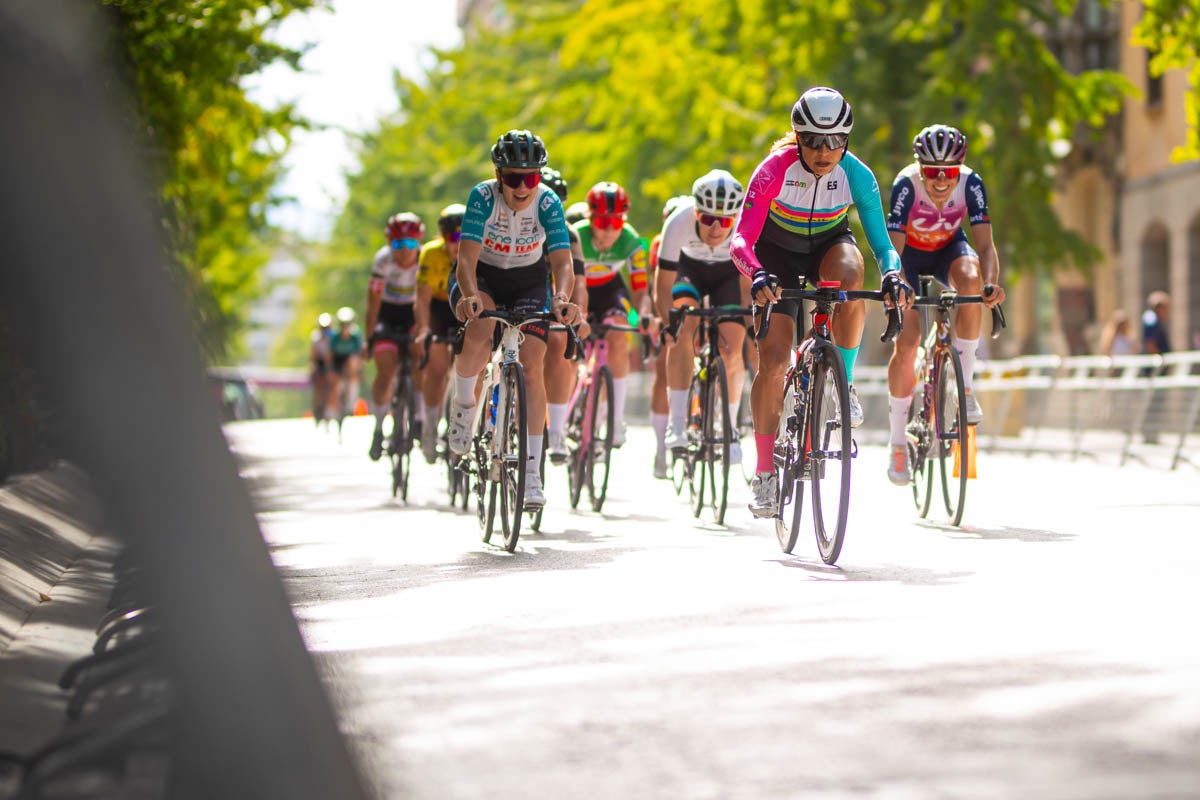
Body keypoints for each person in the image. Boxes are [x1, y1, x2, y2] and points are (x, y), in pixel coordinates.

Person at [730, 86, 910, 518]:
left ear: (846, 140)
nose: (824, 151)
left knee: (851, 273)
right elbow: (741, 237)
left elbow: (881, 243)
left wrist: (892, 274)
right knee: (773, 361)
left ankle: (841, 381)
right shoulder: (773, 170)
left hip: (829, 245)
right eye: (812, 140)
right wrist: (756, 273)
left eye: (834, 141)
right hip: (775, 255)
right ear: (797, 138)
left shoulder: (857, 175)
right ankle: (764, 472)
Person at [446, 130, 581, 509]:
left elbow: (562, 263)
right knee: (481, 327)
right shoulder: (482, 198)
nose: (522, 186)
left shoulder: (548, 202)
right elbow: (467, 261)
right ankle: (462, 409)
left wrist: (562, 299)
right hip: (483, 276)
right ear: (497, 175)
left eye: (531, 178)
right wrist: (471, 297)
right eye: (512, 177)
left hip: (528, 280)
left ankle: (532, 473)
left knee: (533, 364)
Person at [882, 124, 1006, 485]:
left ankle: (965, 388)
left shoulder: (972, 183)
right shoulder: (906, 184)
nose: (940, 180)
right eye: (932, 172)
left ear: (959, 169)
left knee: (970, 282)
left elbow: (985, 248)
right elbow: (893, 249)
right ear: (920, 168)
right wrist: (895, 285)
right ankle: (897, 443)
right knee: (907, 342)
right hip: (909, 257)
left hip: (949, 252)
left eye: (948, 172)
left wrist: (989, 283)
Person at [658, 171, 750, 467]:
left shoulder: (746, 226)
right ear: (695, 211)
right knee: (683, 328)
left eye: (724, 221)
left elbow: (748, 286)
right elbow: (663, 285)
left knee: (732, 350)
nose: (715, 227)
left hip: (728, 274)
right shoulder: (678, 222)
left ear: (734, 217)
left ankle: (731, 430)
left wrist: (751, 326)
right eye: (707, 218)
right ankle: (678, 423)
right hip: (690, 271)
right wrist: (667, 325)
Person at [573, 181, 652, 448]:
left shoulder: (630, 240)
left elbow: (641, 290)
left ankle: (616, 419)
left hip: (609, 289)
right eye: (602, 222)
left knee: (619, 332)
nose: (608, 231)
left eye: (616, 223)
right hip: (578, 288)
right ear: (590, 218)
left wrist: (644, 314)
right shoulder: (576, 236)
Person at [539, 166, 592, 464]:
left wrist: (578, 315)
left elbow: (579, 283)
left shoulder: (569, 235)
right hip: (522, 286)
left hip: (554, 292)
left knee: (560, 345)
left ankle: (556, 430)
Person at [366, 211, 425, 461]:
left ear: (418, 242)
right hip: (387, 314)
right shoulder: (383, 261)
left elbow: (426, 301)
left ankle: (420, 419)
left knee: (421, 357)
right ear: (390, 243)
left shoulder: (425, 259)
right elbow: (373, 304)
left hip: (414, 314)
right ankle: (379, 428)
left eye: (410, 244)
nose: (404, 251)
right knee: (386, 370)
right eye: (399, 245)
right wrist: (370, 339)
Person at [415, 203, 465, 464]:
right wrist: (424, 329)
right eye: (452, 238)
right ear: (443, 238)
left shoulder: (477, 251)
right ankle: (430, 427)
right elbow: (422, 300)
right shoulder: (430, 254)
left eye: (463, 237)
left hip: (463, 307)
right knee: (436, 367)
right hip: (437, 307)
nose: (458, 244)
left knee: (470, 362)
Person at [647, 194, 693, 478]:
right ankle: (661, 447)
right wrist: (660, 320)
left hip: (698, 291)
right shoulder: (659, 244)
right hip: (672, 298)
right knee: (666, 363)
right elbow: (660, 286)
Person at [326, 306, 364, 420]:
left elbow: (360, 355)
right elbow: (330, 355)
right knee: (334, 385)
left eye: (348, 324)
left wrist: (359, 370)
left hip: (351, 361)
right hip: (337, 360)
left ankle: (350, 402)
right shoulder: (334, 337)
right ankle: (330, 411)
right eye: (343, 324)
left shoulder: (356, 336)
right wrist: (330, 371)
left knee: (353, 364)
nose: (345, 327)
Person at [309, 312, 333, 424]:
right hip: (319, 364)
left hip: (331, 364)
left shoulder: (333, 337)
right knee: (318, 388)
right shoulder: (315, 338)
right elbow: (313, 356)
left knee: (331, 385)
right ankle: (318, 410)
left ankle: (330, 410)